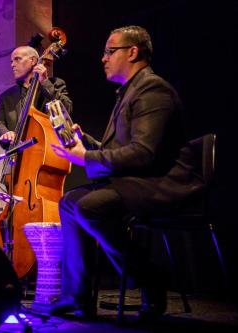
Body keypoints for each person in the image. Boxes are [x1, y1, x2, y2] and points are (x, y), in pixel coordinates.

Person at [49, 26, 204, 320]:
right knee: (69, 202)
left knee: (89, 206)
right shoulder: (129, 92)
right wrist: (88, 144)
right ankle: (77, 297)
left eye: (110, 51)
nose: (103, 58)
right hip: (138, 181)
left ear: (132, 52)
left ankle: (149, 279)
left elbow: (143, 153)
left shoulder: (152, 89)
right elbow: (125, 148)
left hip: (162, 183)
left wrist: (86, 158)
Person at [0, 45, 72, 150]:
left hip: (45, 150)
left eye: (17, 59)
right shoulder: (7, 96)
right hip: (17, 156)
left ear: (33, 60)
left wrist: (45, 82)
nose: (12, 65)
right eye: (11, 61)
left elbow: (66, 109)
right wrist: (6, 133)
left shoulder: (55, 84)